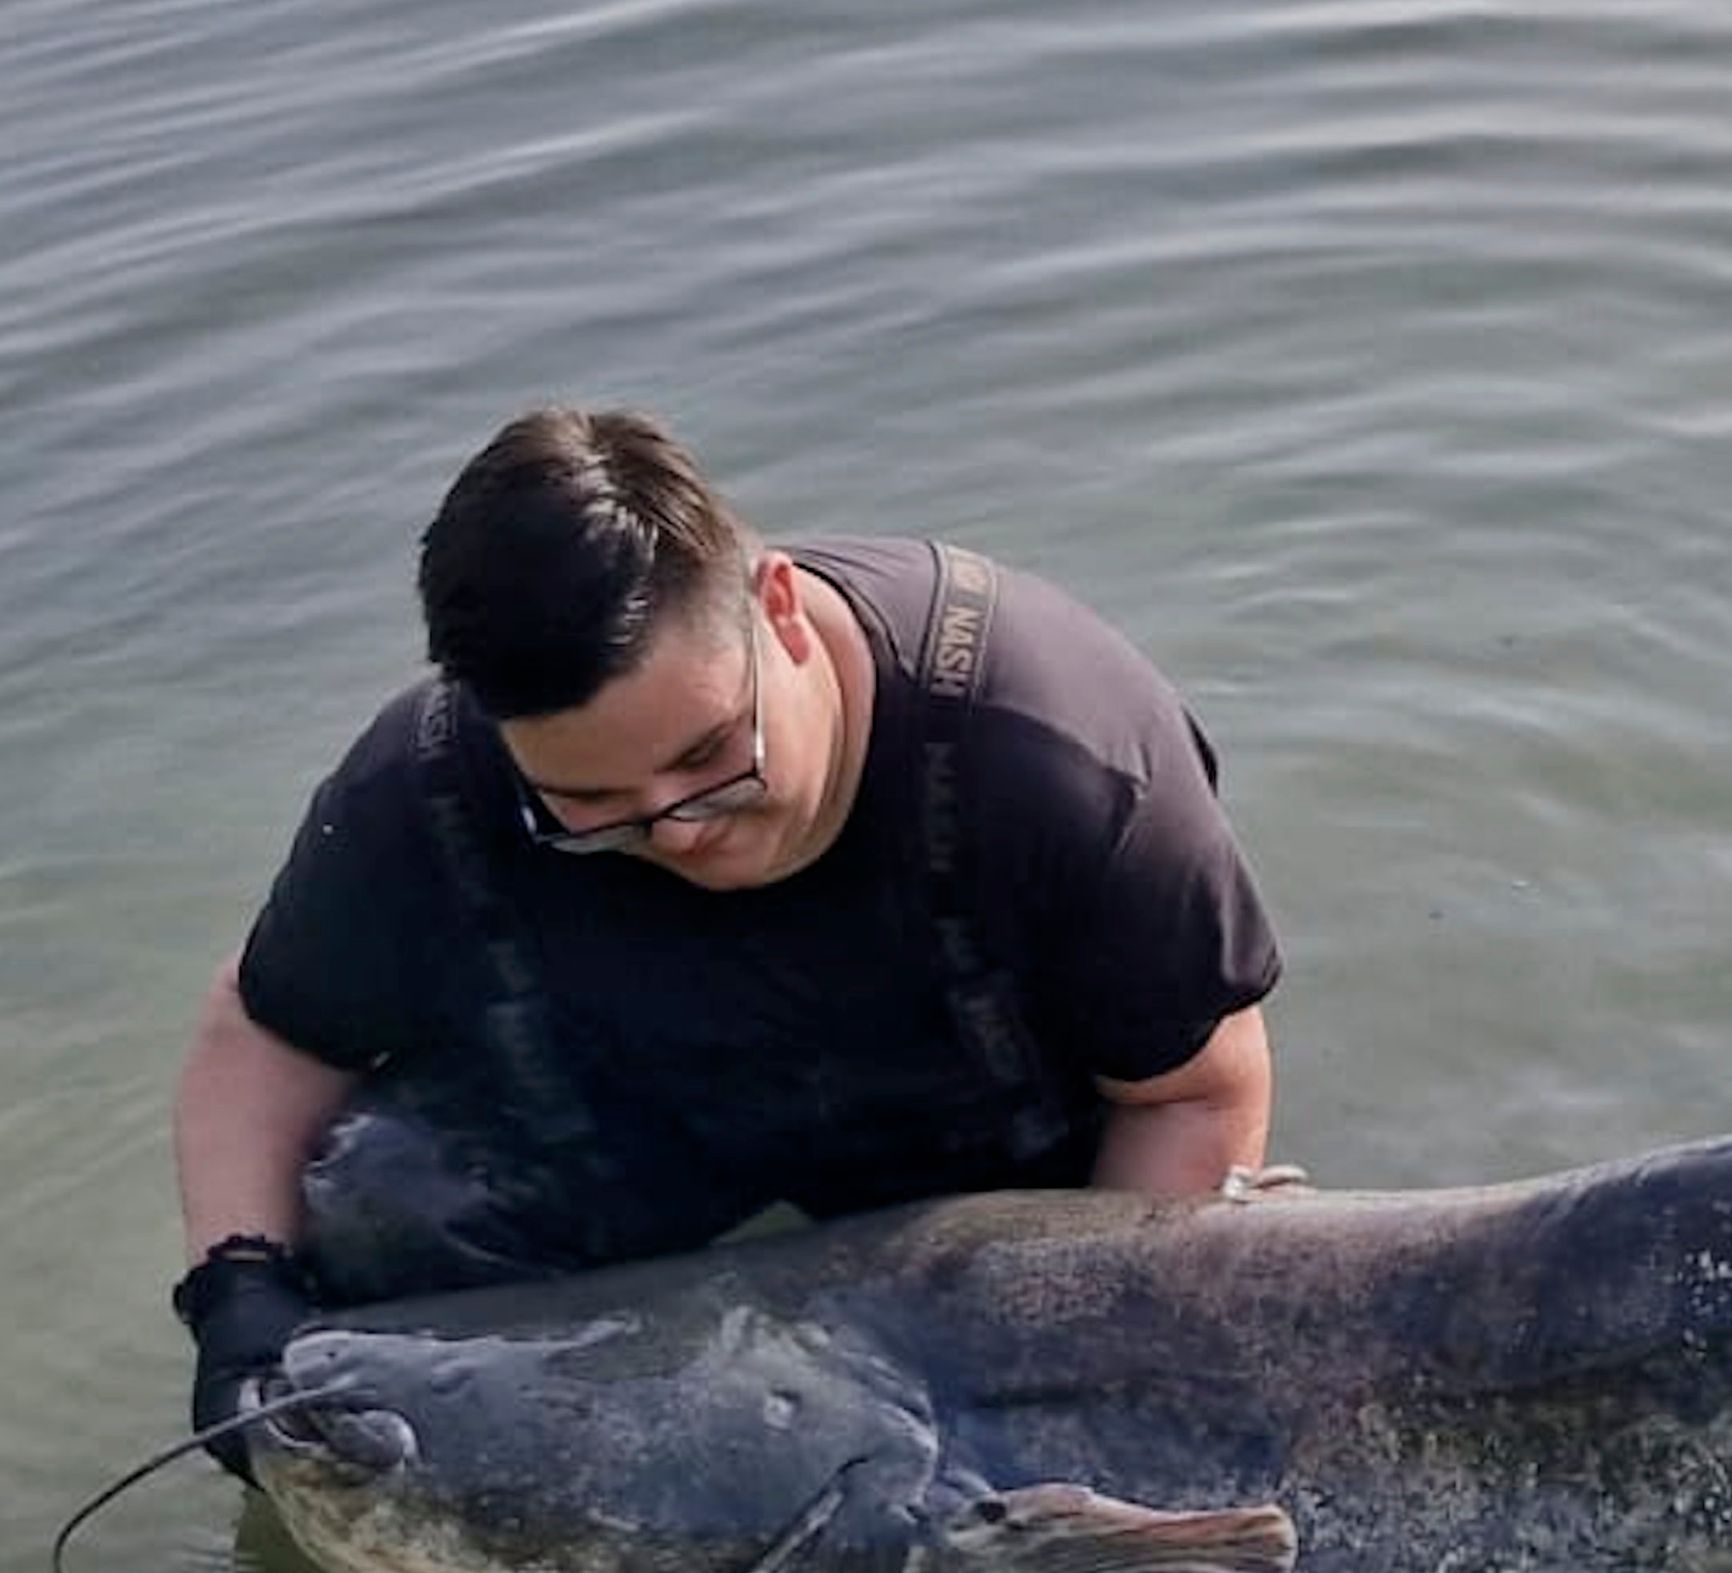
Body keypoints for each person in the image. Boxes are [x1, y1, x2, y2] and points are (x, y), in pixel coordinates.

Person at [173, 406, 1284, 1477]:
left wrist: (1077, 1368)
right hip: (678, 1124)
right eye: (593, 804)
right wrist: (236, 1295)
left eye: (709, 757)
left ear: (781, 610)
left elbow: (1191, 1095)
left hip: (992, 1159)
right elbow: (266, 1036)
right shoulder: (428, 779)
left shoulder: (1052, 749)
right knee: (368, 1198)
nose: (678, 829)